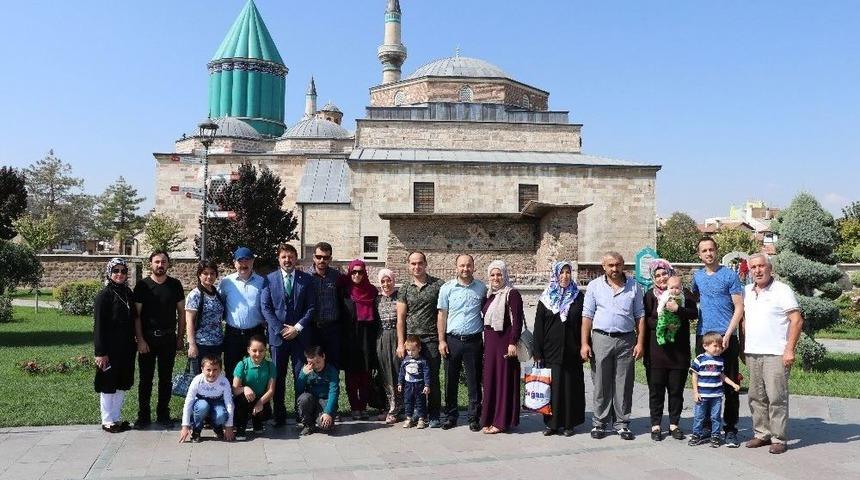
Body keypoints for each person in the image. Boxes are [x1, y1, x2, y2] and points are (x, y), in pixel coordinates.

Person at [743, 253, 803, 454]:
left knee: (776, 396)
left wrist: (789, 350)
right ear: (749, 270)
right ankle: (761, 433)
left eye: (761, 266)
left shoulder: (782, 290)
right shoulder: (747, 292)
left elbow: (797, 320)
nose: (758, 270)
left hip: (776, 353)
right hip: (753, 352)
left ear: (770, 268)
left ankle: (779, 437)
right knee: (756, 396)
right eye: (753, 267)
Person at [581, 251, 645, 440]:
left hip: (626, 340)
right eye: (610, 265)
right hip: (601, 338)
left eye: (618, 265)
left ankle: (622, 423)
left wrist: (640, 342)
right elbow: (587, 316)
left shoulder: (634, 286)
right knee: (601, 382)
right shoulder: (594, 286)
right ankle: (599, 423)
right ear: (603, 266)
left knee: (624, 383)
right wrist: (584, 343)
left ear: (623, 265)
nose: (614, 269)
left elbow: (639, 316)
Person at [691, 237, 744, 447]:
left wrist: (729, 334)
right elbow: (692, 299)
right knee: (704, 383)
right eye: (704, 250)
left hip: (725, 337)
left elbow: (739, 307)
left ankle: (730, 429)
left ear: (717, 251)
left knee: (730, 383)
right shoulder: (697, 277)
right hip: (704, 336)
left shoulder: (730, 275)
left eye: (711, 249)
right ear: (699, 254)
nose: (708, 253)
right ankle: (705, 428)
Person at [261, 243, 317, 427]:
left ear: (296, 258)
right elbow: (266, 308)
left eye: (291, 256)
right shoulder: (268, 280)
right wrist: (280, 329)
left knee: (301, 375)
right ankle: (279, 414)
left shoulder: (306, 279)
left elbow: (311, 307)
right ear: (279, 259)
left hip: (300, 337)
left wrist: (297, 328)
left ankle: (302, 414)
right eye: (284, 257)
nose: (287, 260)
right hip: (278, 338)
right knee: (278, 376)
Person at [642, 259, 698, 441]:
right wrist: (662, 322)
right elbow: (645, 320)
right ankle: (656, 425)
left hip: (678, 352)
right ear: (653, 278)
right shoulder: (650, 295)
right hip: (657, 352)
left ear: (670, 274)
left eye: (664, 274)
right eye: (657, 275)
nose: (661, 278)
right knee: (656, 390)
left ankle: (674, 424)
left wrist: (677, 310)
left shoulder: (684, 293)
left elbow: (694, 314)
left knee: (676, 391)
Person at [134, 251, 185, 429]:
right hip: (147, 339)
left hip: (168, 339)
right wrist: (140, 339)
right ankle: (143, 415)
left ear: (168, 264)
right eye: (157, 262)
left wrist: (180, 338)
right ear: (150, 264)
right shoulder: (142, 286)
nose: (160, 265)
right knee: (145, 379)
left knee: (166, 379)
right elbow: (137, 316)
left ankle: (163, 414)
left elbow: (182, 313)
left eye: (163, 261)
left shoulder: (175, 285)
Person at [533, 261, 585, 437]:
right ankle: (552, 424)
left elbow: (583, 324)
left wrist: (585, 345)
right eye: (561, 272)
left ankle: (569, 424)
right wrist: (537, 352)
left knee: (570, 387)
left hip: (572, 350)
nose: (565, 276)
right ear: (555, 275)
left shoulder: (578, 297)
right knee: (552, 388)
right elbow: (538, 326)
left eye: (568, 272)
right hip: (550, 351)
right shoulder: (546, 298)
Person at [437, 254, 487, 431]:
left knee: (474, 381)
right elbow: (442, 315)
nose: (465, 269)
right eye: (462, 266)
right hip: (452, 340)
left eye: (468, 265)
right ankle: (451, 416)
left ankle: (474, 416)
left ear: (474, 267)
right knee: (451, 380)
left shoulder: (481, 289)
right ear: (456, 267)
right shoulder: (447, 288)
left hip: (473, 341)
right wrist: (442, 340)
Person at [396, 251, 445, 427]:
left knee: (431, 378)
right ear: (409, 265)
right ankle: (417, 412)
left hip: (431, 339)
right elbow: (400, 319)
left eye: (420, 263)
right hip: (412, 342)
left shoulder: (438, 285)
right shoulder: (405, 288)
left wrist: (441, 340)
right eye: (413, 264)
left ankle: (434, 415)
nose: (416, 267)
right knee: (412, 379)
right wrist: (401, 344)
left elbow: (442, 313)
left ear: (425, 264)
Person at [480, 260, 524, 434]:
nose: (496, 278)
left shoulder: (511, 294)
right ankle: (489, 417)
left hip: (505, 343)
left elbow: (517, 320)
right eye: (492, 275)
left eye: (499, 274)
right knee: (491, 380)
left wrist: (513, 342)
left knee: (504, 380)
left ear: (505, 275)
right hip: (491, 343)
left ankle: (501, 421)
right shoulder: (490, 295)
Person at [93, 258, 137, 433]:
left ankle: (116, 417)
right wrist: (100, 352)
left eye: (123, 271)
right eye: (116, 271)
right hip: (109, 349)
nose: (119, 274)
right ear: (109, 273)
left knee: (121, 383)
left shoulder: (127, 293)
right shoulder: (104, 296)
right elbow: (98, 327)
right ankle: (107, 420)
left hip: (126, 348)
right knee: (108, 383)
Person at [219, 246, 266, 382]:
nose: (243, 264)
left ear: (253, 262)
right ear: (234, 263)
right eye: (240, 261)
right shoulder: (226, 282)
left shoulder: (262, 282)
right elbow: (219, 304)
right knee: (232, 371)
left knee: (256, 371)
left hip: (255, 333)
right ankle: (233, 402)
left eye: (247, 261)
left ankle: (255, 402)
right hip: (233, 334)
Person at [341, 259, 380, 420]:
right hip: (349, 338)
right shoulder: (344, 291)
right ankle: (354, 407)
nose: (357, 275)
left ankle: (363, 407)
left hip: (367, 338)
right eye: (354, 272)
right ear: (350, 273)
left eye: (360, 272)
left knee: (365, 375)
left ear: (365, 273)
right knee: (351, 377)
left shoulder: (372, 291)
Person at [688, 333, 741, 448]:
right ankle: (696, 434)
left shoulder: (720, 360)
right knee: (699, 416)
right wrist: (695, 392)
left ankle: (715, 435)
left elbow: (722, 376)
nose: (718, 349)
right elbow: (694, 376)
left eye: (720, 346)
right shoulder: (699, 359)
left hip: (716, 396)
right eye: (715, 346)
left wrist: (733, 384)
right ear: (705, 346)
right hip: (702, 395)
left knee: (716, 417)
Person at [306, 242, 346, 370]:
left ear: (330, 259)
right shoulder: (306, 277)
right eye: (319, 257)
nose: (322, 260)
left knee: (333, 365)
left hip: (332, 329)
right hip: (313, 329)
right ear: (313, 257)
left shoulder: (337, 276)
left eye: (326, 257)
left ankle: (332, 390)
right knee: (313, 364)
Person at [178, 355, 235, 443]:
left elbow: (229, 403)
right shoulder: (197, 380)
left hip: (217, 402)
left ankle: (216, 426)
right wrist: (185, 426)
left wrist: (229, 427)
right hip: (201, 402)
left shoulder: (224, 381)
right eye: (208, 370)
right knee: (202, 406)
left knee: (221, 415)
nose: (212, 373)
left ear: (220, 369)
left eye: (215, 370)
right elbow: (188, 402)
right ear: (202, 369)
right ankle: (196, 429)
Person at [231, 334, 275, 439]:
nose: (258, 354)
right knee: (242, 400)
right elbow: (234, 390)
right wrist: (245, 388)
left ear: (265, 350)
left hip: (261, 399)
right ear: (248, 350)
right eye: (254, 350)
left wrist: (260, 403)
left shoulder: (270, 366)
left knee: (266, 413)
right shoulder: (242, 365)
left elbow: (271, 390)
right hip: (245, 399)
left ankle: (257, 422)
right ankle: (240, 428)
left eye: (261, 350)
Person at [185, 260, 225, 374]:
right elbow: (190, 322)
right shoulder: (195, 295)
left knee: (214, 378)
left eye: (212, 273)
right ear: (199, 275)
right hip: (201, 345)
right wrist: (192, 345)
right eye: (205, 273)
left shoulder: (217, 293)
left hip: (217, 344)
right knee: (201, 379)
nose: (209, 276)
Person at [375, 268, 401, 424]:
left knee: (397, 371)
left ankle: (397, 409)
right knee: (384, 372)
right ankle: (387, 406)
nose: (386, 284)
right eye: (383, 281)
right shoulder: (377, 300)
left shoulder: (400, 297)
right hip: (382, 338)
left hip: (396, 336)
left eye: (389, 280)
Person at [295, 346, 340, 435]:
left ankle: (322, 418)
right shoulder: (306, 370)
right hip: (311, 401)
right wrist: (303, 376)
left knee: (325, 426)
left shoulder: (331, 371)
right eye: (311, 363)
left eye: (318, 362)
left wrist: (327, 412)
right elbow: (298, 390)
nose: (316, 365)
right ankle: (308, 425)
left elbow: (333, 392)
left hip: (325, 401)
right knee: (303, 399)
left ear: (323, 356)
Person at [398, 335, 431, 429]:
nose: (410, 353)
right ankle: (409, 418)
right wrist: (400, 383)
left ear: (419, 349)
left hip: (419, 384)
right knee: (408, 402)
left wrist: (427, 385)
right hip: (408, 385)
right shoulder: (405, 360)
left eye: (413, 350)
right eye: (408, 350)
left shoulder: (422, 361)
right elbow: (402, 372)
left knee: (420, 402)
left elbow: (426, 373)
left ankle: (421, 419)